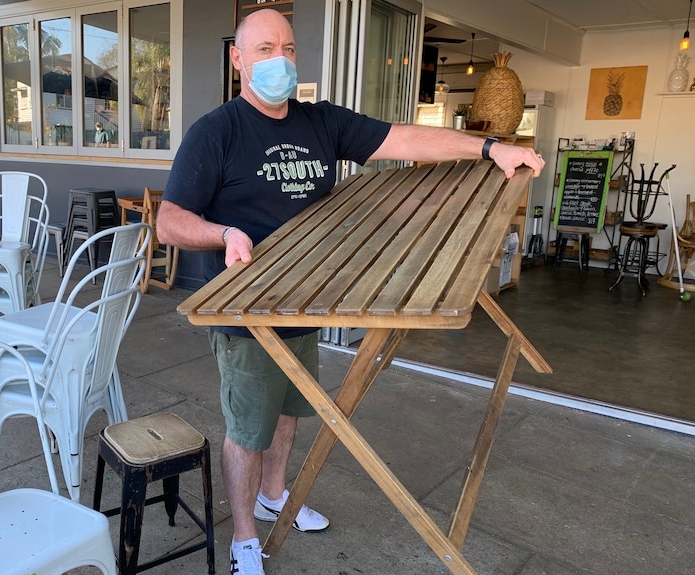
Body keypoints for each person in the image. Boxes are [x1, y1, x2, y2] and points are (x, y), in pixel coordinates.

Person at [157, 9, 544, 575]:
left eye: (287, 48)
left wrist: (490, 149)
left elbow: (405, 138)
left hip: (306, 301)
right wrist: (225, 233)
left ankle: (274, 496)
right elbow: (169, 221)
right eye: (265, 49)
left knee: (291, 411)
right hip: (246, 311)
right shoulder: (216, 131)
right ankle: (243, 538)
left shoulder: (321, 122)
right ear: (238, 60)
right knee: (246, 429)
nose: (280, 60)